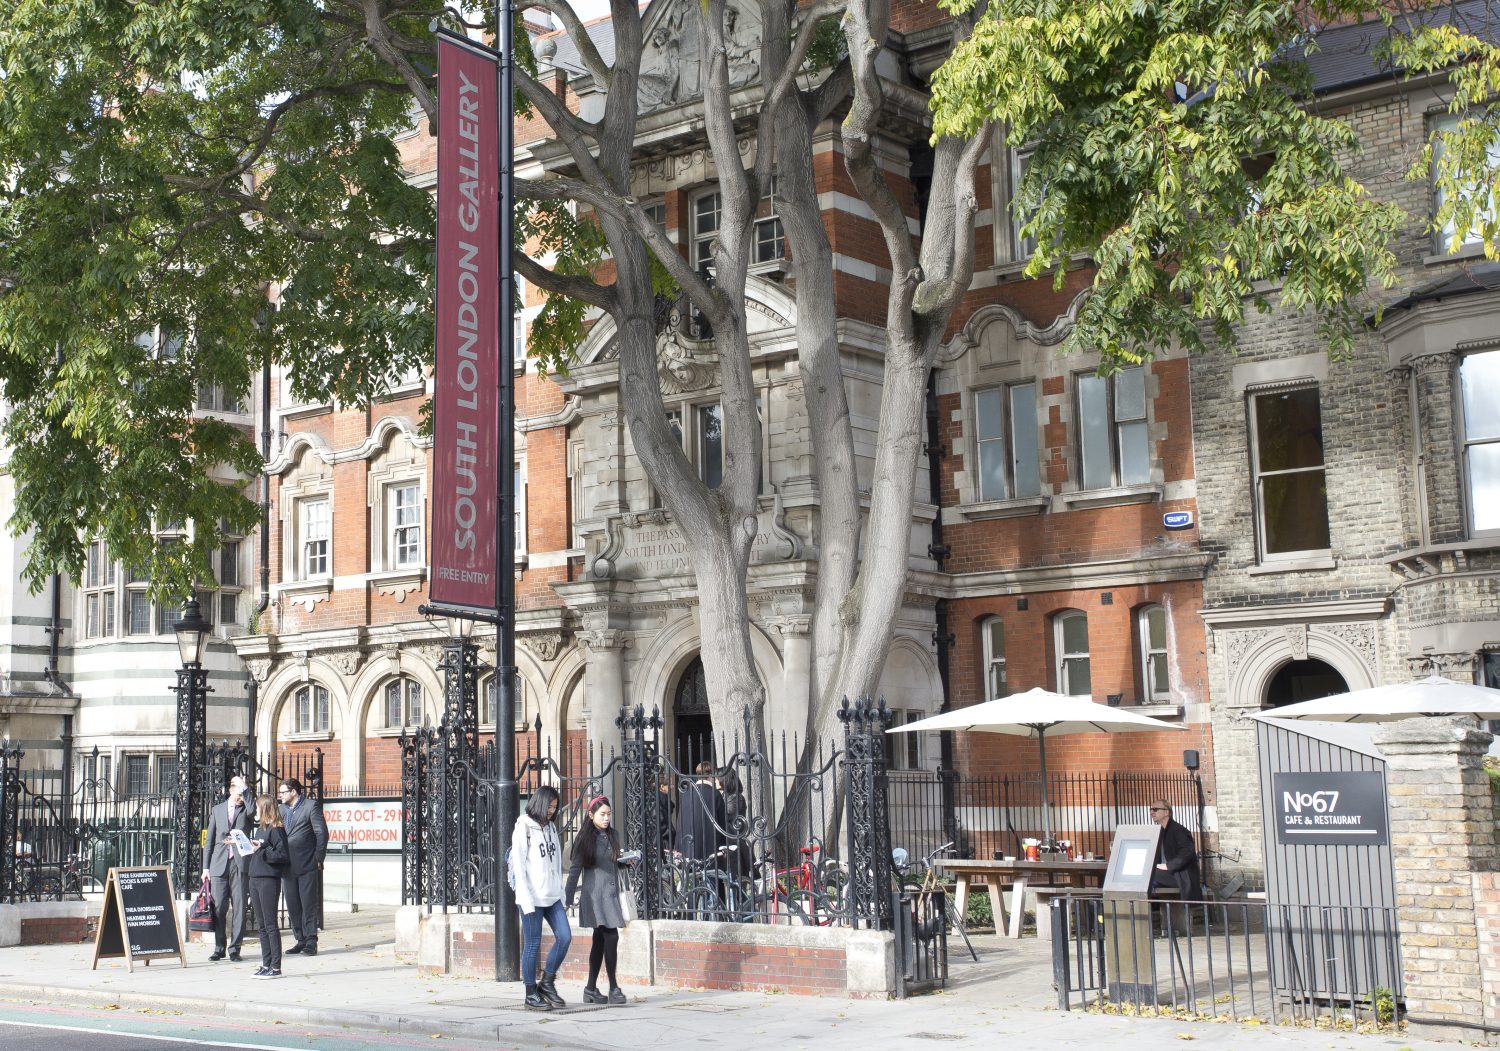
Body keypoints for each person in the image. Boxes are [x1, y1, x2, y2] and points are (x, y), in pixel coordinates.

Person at [565, 795, 632, 1006]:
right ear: (591, 814)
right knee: (611, 937)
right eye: (602, 814)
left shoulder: (614, 834)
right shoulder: (585, 838)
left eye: (609, 814)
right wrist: (566, 898)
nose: (606, 818)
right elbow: (575, 869)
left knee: (600, 941)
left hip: (611, 894)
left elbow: (614, 862)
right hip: (594, 896)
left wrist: (625, 862)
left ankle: (590, 988)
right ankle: (613, 987)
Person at [513, 785, 571, 1011]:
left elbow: (556, 864)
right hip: (531, 897)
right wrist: (525, 899)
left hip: (552, 895)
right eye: (550, 806)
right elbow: (519, 865)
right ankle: (530, 993)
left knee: (565, 937)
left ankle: (546, 982)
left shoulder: (551, 828)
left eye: (555, 808)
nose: (552, 811)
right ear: (540, 802)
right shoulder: (523, 827)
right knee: (532, 944)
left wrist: (562, 893)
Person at [202, 773, 254, 962]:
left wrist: (245, 788)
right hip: (218, 864)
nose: (240, 798)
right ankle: (219, 947)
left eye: (243, 794)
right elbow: (209, 841)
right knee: (219, 907)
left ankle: (235, 949)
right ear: (230, 790)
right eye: (238, 793)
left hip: (239, 863)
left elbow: (253, 808)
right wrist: (205, 868)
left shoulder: (246, 810)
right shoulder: (217, 810)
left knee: (239, 907)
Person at [278, 777, 328, 957]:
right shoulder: (281, 809)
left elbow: (321, 833)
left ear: (293, 791)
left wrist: (318, 858)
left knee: (308, 904)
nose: (280, 795)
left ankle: (311, 941)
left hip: (307, 863)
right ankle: (300, 939)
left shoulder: (310, 807)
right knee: (292, 904)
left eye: (283, 792)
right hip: (286, 865)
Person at [247, 793, 289, 978]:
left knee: (271, 924)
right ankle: (266, 964)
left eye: (257, 807)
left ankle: (276, 967)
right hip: (255, 877)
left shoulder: (276, 829)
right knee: (262, 925)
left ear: (265, 807)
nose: (256, 810)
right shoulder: (261, 829)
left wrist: (262, 849)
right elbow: (258, 849)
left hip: (269, 879)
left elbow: (282, 855)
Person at [1149, 800, 1203, 901]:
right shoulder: (1160, 831)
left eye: (1155, 809)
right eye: (1151, 809)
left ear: (1166, 812)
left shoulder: (1179, 830)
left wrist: (1168, 866)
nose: (1152, 812)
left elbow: (1187, 853)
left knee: (1148, 873)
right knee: (1143, 872)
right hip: (1168, 874)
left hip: (1181, 876)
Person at [675, 761, 725, 862]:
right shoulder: (715, 794)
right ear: (711, 775)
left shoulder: (686, 795)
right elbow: (722, 825)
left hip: (688, 848)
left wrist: (678, 847)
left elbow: (680, 821)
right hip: (710, 850)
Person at [716, 765, 748, 878]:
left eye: (717, 777)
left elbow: (724, 816)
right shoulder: (725, 796)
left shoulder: (736, 798)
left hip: (734, 844)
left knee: (734, 883)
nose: (715, 780)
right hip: (726, 843)